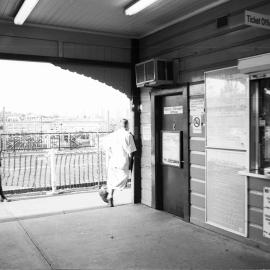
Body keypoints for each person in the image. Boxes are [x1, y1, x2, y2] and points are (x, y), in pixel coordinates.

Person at [103, 119, 136, 207]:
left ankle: (109, 196)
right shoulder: (128, 135)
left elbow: (107, 148)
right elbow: (131, 152)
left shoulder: (113, 135)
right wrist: (131, 164)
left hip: (113, 161)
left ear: (119, 125)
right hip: (123, 161)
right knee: (123, 181)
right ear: (127, 125)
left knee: (111, 180)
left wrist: (112, 155)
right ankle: (105, 190)